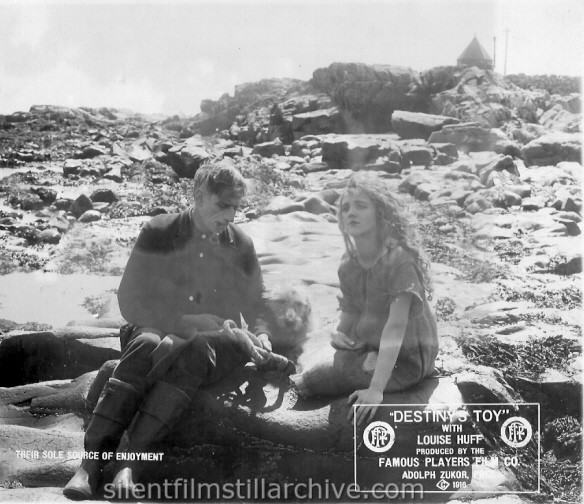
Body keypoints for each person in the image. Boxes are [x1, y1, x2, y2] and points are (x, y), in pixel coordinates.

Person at [63, 162, 273, 500]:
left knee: (194, 350)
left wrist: (262, 335)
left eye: (236, 207)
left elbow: (257, 304)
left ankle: (130, 464)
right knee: (146, 342)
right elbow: (130, 301)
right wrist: (187, 321)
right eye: (224, 205)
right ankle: (90, 463)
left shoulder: (241, 245)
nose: (231, 216)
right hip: (155, 327)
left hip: (215, 344)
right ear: (199, 195)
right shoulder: (159, 231)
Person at [291, 172, 438, 427]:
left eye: (361, 206)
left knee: (317, 378)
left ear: (381, 214)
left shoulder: (399, 260)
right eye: (345, 208)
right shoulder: (349, 263)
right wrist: (339, 333)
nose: (351, 213)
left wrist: (376, 391)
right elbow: (350, 309)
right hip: (373, 344)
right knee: (325, 356)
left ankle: (377, 373)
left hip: (407, 358)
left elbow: (396, 326)